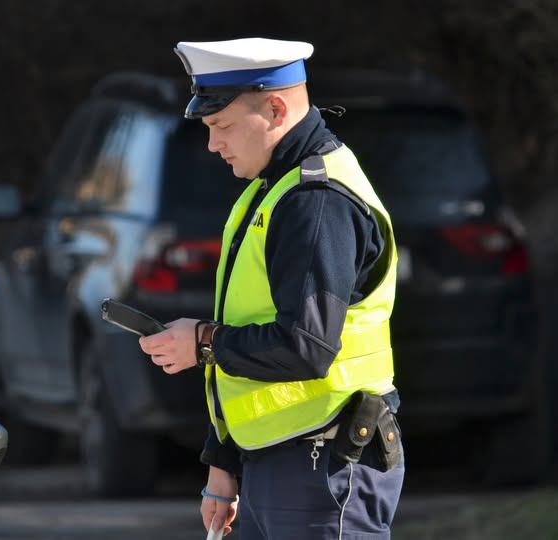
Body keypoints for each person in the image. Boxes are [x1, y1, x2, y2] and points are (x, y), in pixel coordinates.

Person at [138, 37, 405, 539]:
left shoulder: (315, 200)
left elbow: (306, 348)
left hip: (324, 466)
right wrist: (224, 464)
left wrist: (202, 341)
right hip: (287, 465)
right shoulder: (275, 187)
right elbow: (252, 333)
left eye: (221, 126)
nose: (213, 143)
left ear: (276, 109)